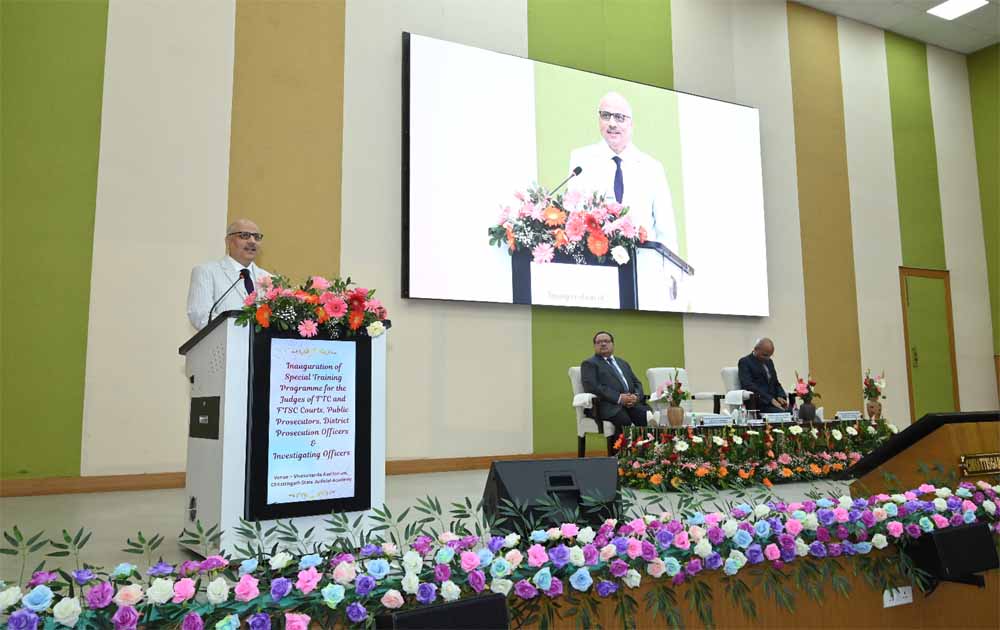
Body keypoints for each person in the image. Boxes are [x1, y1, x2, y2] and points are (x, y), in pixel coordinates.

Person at [568, 92, 678, 254]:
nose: (612, 123)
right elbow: (573, 218)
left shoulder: (652, 168)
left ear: (631, 124)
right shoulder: (581, 160)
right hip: (596, 260)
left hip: (643, 263)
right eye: (606, 116)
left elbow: (666, 232)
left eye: (619, 117)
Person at [186, 219, 272, 330]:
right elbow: (200, 316)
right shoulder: (206, 272)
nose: (252, 241)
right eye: (244, 235)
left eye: (257, 237)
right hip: (224, 340)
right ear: (228, 241)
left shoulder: (270, 279)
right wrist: (242, 329)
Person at [580, 331, 650, 437]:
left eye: (606, 341)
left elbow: (637, 383)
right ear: (594, 346)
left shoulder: (622, 363)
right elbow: (592, 387)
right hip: (607, 405)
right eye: (599, 342)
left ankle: (646, 446)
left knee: (646, 415)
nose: (603, 344)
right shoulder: (589, 364)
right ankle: (621, 447)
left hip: (630, 404)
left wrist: (636, 396)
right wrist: (619, 398)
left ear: (612, 344)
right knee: (624, 420)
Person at [737, 337, 789, 414]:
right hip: (759, 403)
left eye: (770, 355)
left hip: (774, 402)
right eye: (765, 355)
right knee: (782, 414)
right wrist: (770, 399)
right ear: (755, 349)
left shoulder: (769, 362)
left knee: (793, 411)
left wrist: (780, 395)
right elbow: (748, 385)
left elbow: (775, 383)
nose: (767, 358)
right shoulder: (745, 362)